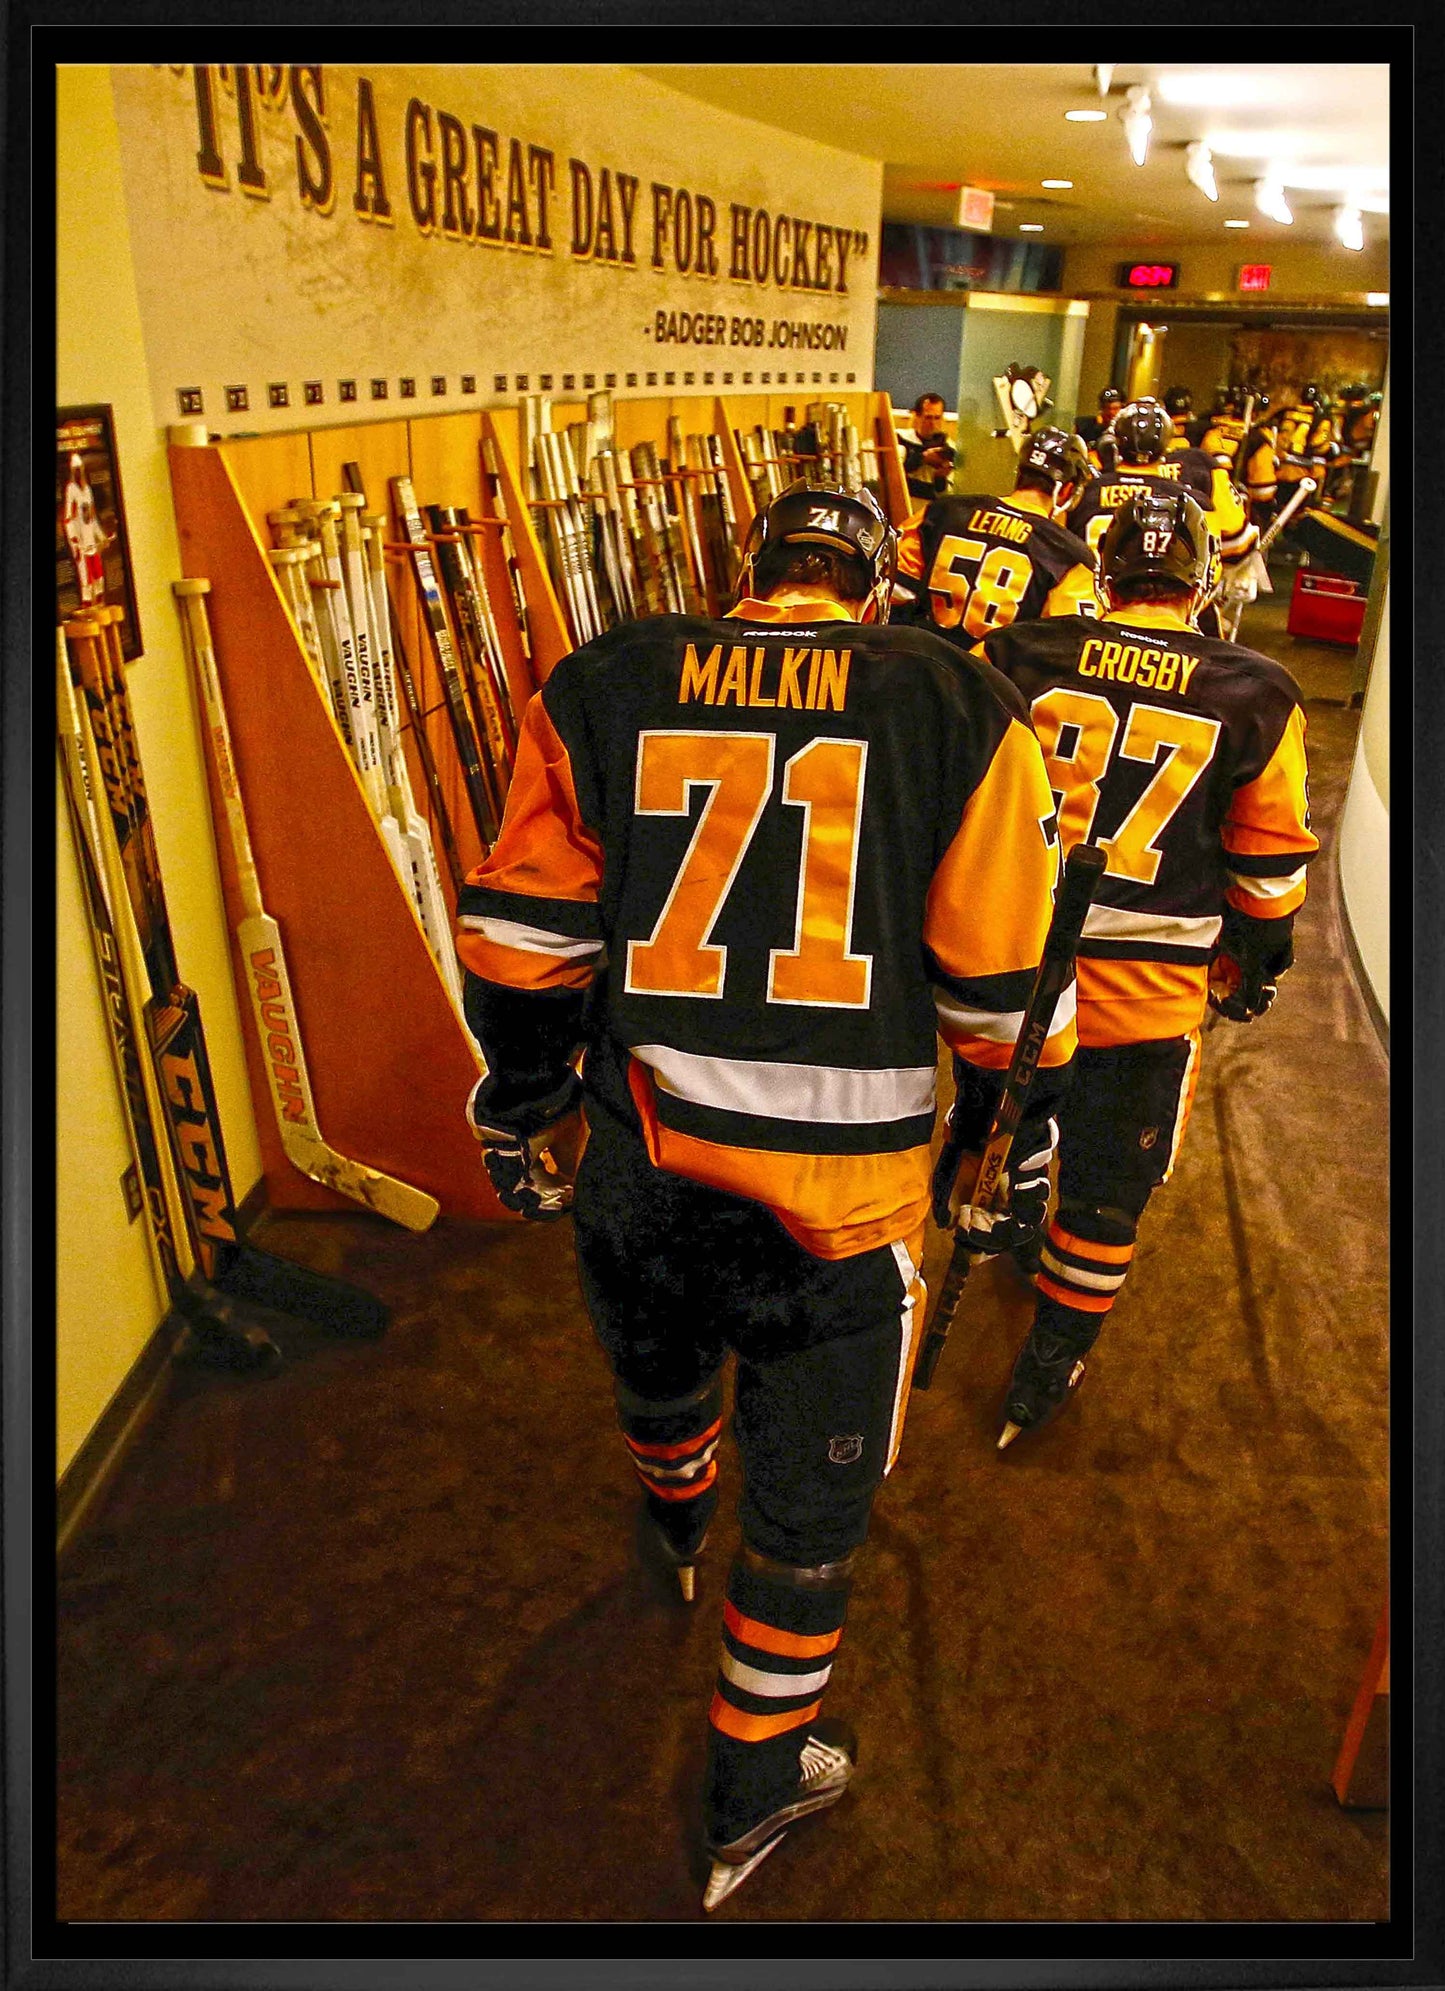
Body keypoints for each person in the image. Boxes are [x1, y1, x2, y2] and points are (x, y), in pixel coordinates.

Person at [453, 479, 1076, 1911]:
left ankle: (672, 1526)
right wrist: (1010, 1138)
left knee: (660, 1370)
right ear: (868, 589)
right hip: (841, 1210)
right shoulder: (951, 698)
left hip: (645, 1161)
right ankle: (753, 1774)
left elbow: (516, 940)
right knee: (807, 1515)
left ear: (754, 572)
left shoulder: (607, 677)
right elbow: (996, 1000)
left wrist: (530, 1096)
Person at [977, 487, 1318, 1447]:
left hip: (1008, 983)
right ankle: (1052, 1352)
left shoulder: (1015, 653)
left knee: (1001, 1139)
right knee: (1107, 1191)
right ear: (1199, 582)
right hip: (1143, 1001)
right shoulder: (1254, 690)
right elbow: (1266, 872)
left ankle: (1015, 1209)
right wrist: (1255, 967)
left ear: (1108, 569)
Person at [894, 426, 1099, 649]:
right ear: (1067, 489)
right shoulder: (1070, 555)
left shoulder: (940, 512)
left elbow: (896, 592)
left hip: (924, 662)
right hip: (997, 679)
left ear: (1020, 473)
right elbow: (1067, 645)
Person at [1066, 397, 1260, 584]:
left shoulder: (1083, 493)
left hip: (1088, 604)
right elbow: (1239, 545)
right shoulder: (1191, 500)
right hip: (1169, 606)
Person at [899, 392, 957, 502]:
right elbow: (895, 474)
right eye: (928, 417)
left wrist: (940, 476)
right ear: (917, 416)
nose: (933, 423)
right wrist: (922, 458)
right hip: (905, 500)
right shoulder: (900, 438)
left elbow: (944, 492)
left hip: (932, 504)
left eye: (937, 418)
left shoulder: (947, 445)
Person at [1077, 385, 1124, 463]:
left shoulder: (1127, 431)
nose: (1111, 412)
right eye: (1107, 408)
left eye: (1115, 408)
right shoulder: (1084, 426)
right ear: (1101, 408)